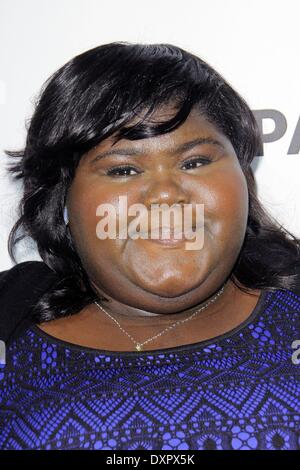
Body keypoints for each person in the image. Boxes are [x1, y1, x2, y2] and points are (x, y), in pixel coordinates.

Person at [0, 41, 299, 451]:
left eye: (194, 162)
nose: (164, 195)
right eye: (123, 169)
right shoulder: (8, 319)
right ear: (62, 200)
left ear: (245, 182)